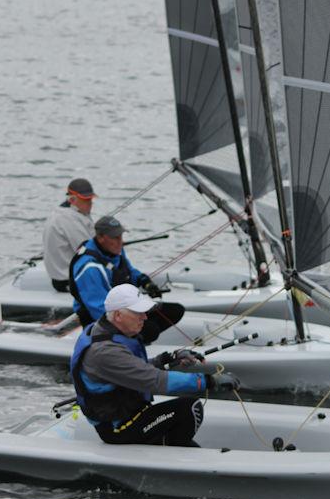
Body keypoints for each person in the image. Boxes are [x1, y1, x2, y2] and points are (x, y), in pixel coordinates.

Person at [70, 283, 240, 446]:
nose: (144, 317)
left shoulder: (107, 330)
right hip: (119, 428)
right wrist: (209, 381)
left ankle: (168, 446)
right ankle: (172, 457)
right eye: (138, 312)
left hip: (132, 412)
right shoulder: (105, 351)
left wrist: (169, 358)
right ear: (118, 316)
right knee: (189, 408)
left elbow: (133, 368)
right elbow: (155, 381)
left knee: (184, 412)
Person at [69, 214, 184, 343]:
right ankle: (127, 342)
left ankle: (135, 339)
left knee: (176, 310)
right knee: (151, 330)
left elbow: (128, 270)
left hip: (123, 307)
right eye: (116, 237)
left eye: (121, 236)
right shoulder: (89, 268)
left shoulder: (114, 250)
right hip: (100, 318)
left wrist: (145, 282)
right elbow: (99, 309)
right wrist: (133, 323)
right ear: (101, 238)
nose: (121, 241)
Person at [43, 177, 97, 292]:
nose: (90, 204)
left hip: (68, 275)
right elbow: (89, 250)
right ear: (72, 200)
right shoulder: (68, 219)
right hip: (68, 281)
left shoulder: (72, 213)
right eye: (86, 200)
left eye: (90, 200)